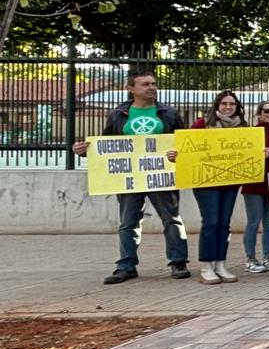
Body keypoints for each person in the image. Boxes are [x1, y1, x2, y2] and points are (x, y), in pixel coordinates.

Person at [72, 69, 191, 285]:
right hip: (130, 177)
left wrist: (179, 155)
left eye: (153, 83)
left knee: (171, 218)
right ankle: (126, 266)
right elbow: (106, 145)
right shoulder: (118, 114)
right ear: (130, 89)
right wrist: (84, 150)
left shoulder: (168, 113)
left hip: (161, 175)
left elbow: (184, 143)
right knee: (128, 222)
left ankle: (178, 262)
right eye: (145, 84)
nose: (151, 87)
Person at [185, 90, 257, 285]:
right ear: (217, 105)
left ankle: (220, 263)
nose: (228, 107)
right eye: (224, 103)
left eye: (232, 104)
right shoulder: (202, 125)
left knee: (225, 222)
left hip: (231, 181)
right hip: (206, 182)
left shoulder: (242, 128)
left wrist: (261, 152)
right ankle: (207, 265)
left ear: (237, 107)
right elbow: (187, 147)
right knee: (211, 221)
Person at [238, 100, 269, 274]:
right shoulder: (253, 133)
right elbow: (261, 151)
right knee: (253, 221)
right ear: (259, 113)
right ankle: (250, 258)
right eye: (267, 111)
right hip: (254, 183)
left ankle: (267, 256)